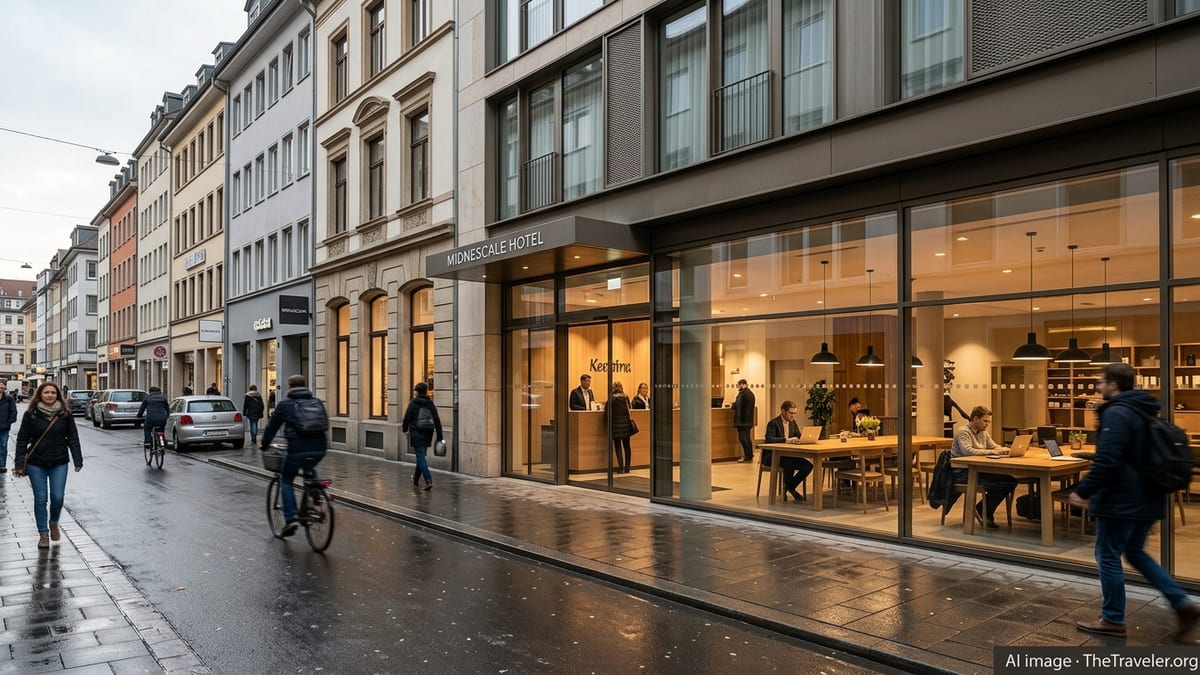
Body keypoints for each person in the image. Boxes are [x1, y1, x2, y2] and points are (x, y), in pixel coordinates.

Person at [1069, 363, 1200, 639]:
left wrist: (1083, 490)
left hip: (1121, 499)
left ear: (1113, 385)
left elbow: (1108, 460)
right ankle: (1182, 602)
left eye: (1101, 382)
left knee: (1107, 554)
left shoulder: (1116, 413)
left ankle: (1113, 619)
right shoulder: (1144, 411)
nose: (1097, 387)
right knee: (1135, 552)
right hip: (1148, 496)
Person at [13, 382, 82, 549]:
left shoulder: (65, 414)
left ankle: (53, 522)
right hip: (37, 463)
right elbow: (22, 439)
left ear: (57, 394)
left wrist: (77, 459)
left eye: (53, 392)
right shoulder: (31, 414)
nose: (50, 395)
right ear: (40, 395)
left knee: (57, 497)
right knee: (41, 499)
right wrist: (19, 463)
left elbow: (73, 437)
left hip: (59, 461)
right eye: (46, 392)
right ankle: (43, 534)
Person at [260, 374, 327, 537]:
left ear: (290, 387)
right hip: (320, 448)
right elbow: (325, 423)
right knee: (309, 469)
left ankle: (291, 518)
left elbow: (272, 426)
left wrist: (264, 444)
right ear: (305, 385)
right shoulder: (316, 402)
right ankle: (316, 494)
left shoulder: (285, 404)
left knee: (286, 479)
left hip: (297, 449)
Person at [950, 406, 1017, 529]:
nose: (987, 425)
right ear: (975, 419)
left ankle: (983, 510)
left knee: (1010, 480)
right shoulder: (963, 431)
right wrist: (990, 452)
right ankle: (983, 511)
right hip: (962, 473)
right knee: (1003, 483)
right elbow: (967, 451)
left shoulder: (983, 433)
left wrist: (1004, 449)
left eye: (989, 422)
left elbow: (993, 446)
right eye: (985, 421)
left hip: (978, 470)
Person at [762, 400, 815, 502]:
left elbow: (799, 435)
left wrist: (804, 439)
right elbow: (769, 439)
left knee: (808, 465)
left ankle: (789, 486)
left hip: (788, 454)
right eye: (791, 413)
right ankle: (790, 490)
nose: (793, 416)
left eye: (795, 413)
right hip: (772, 456)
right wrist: (786, 440)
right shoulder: (773, 423)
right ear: (783, 411)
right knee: (788, 464)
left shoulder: (793, 423)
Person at [402, 381, 443, 490]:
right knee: (421, 457)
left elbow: (407, 418)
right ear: (426, 391)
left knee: (420, 457)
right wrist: (440, 436)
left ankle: (428, 480)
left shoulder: (413, 403)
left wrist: (404, 428)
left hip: (416, 433)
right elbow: (436, 419)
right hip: (427, 433)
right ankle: (415, 479)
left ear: (417, 392)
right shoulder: (430, 403)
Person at [606, 382, 634, 473]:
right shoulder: (626, 397)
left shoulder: (611, 399)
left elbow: (607, 412)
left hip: (616, 426)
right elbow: (629, 409)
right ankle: (627, 468)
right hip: (626, 425)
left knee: (618, 447)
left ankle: (621, 468)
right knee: (627, 446)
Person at [732, 379, 756, 463]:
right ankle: (749, 455)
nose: (738, 387)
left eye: (738, 385)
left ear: (742, 384)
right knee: (746, 438)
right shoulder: (747, 393)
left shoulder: (745, 393)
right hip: (746, 421)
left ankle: (748, 456)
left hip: (743, 421)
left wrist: (733, 405)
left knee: (743, 438)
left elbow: (738, 404)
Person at [0, 379, 16, 474]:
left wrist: (8, 422)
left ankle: (2, 465)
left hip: (4, 428)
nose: (1, 389)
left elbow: (13, 412)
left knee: (3, 446)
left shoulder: (9, 399)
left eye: (2, 387)